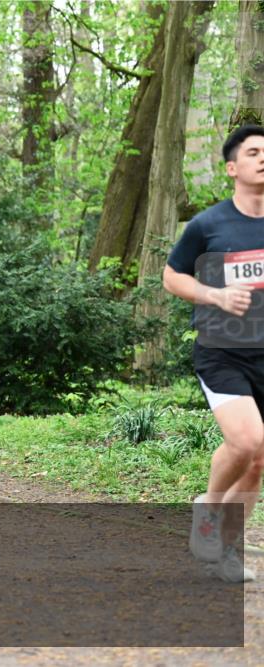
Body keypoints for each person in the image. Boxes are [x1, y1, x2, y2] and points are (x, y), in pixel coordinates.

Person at [163, 124, 264, 583]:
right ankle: (207, 508)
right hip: (222, 350)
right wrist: (217, 296)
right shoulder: (208, 224)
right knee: (247, 442)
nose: (263, 158)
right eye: (253, 152)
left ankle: (225, 549)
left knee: (258, 458)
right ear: (232, 167)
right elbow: (172, 277)